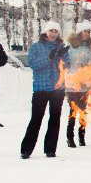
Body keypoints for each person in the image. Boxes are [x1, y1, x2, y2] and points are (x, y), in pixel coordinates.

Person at [21, 22, 69, 159]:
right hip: (41, 88)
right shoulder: (36, 47)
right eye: (51, 31)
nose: (53, 34)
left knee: (54, 119)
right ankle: (26, 149)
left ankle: (50, 149)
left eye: (56, 31)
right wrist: (49, 57)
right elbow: (34, 65)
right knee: (36, 119)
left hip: (57, 89)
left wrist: (60, 57)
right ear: (45, 32)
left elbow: (67, 65)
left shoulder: (61, 47)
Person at [64, 22, 91, 148]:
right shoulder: (70, 45)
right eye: (85, 31)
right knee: (73, 109)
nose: (87, 34)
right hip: (72, 81)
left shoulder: (90, 47)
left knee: (84, 110)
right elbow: (65, 61)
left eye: (89, 32)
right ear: (79, 32)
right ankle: (70, 137)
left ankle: (81, 135)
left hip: (85, 82)